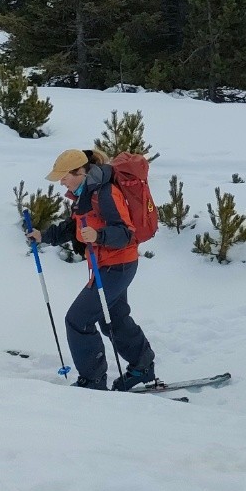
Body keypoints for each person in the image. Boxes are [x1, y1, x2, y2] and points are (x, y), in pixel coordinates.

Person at [26, 148, 158, 391]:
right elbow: (71, 227)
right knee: (113, 320)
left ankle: (93, 380)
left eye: (64, 176)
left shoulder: (105, 193)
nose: (61, 181)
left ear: (80, 172)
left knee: (78, 320)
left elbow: (125, 233)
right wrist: (42, 235)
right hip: (108, 265)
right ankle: (142, 366)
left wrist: (99, 235)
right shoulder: (85, 193)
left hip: (118, 266)